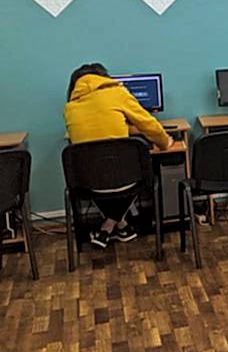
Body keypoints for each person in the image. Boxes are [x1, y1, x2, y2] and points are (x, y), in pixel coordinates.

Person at [64, 62, 174, 249]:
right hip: (127, 179)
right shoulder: (117, 93)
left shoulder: (70, 108)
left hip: (89, 183)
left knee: (104, 174)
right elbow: (148, 124)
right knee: (141, 173)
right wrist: (165, 142)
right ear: (103, 78)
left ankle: (116, 228)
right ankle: (112, 226)